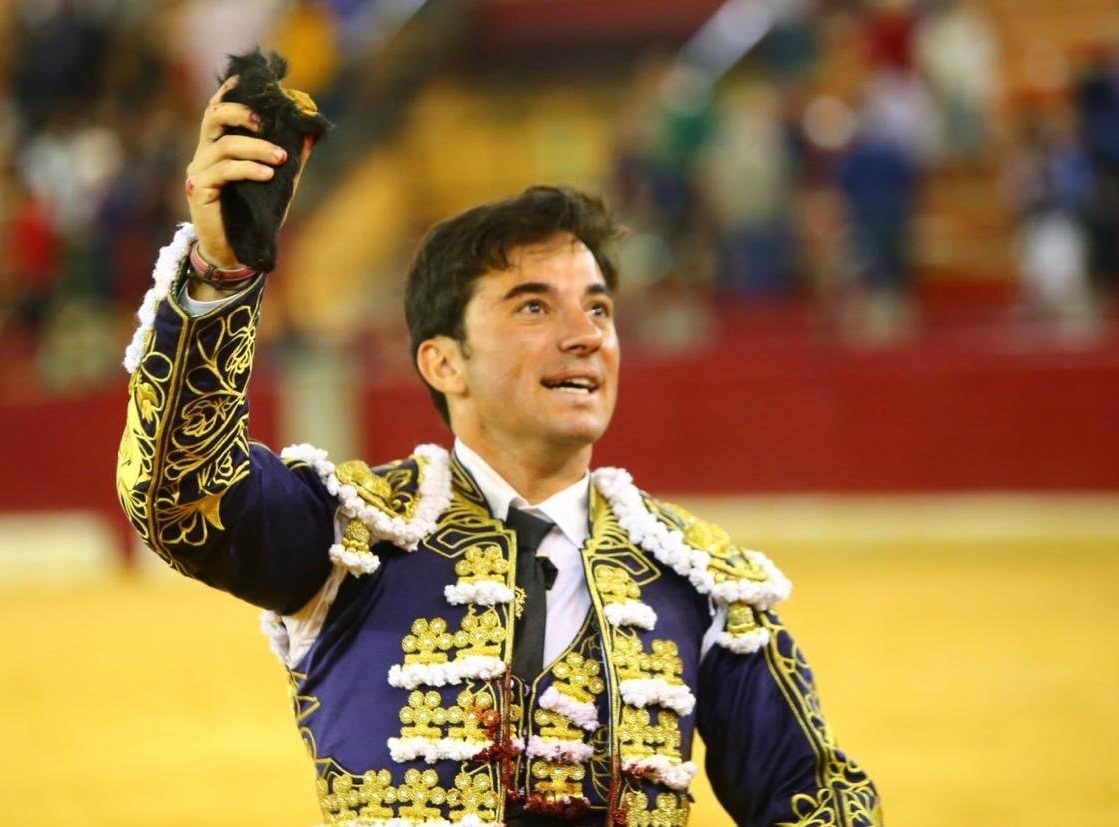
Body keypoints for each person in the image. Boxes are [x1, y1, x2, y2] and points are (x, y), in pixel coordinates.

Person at [117, 72, 881, 827]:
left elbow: (814, 804)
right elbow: (178, 494)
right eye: (533, 306)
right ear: (444, 362)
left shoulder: (701, 583)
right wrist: (221, 275)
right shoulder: (352, 538)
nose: (584, 335)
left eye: (598, 308)